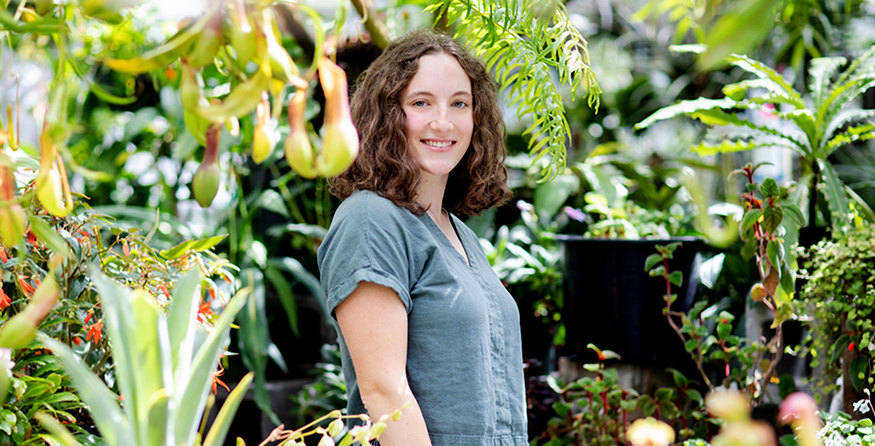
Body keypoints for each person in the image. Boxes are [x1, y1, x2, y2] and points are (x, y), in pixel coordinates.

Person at [317, 28, 527, 446]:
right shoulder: (370, 219)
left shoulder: (459, 234)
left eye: (459, 104)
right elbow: (384, 391)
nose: (443, 122)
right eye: (421, 103)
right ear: (387, 113)